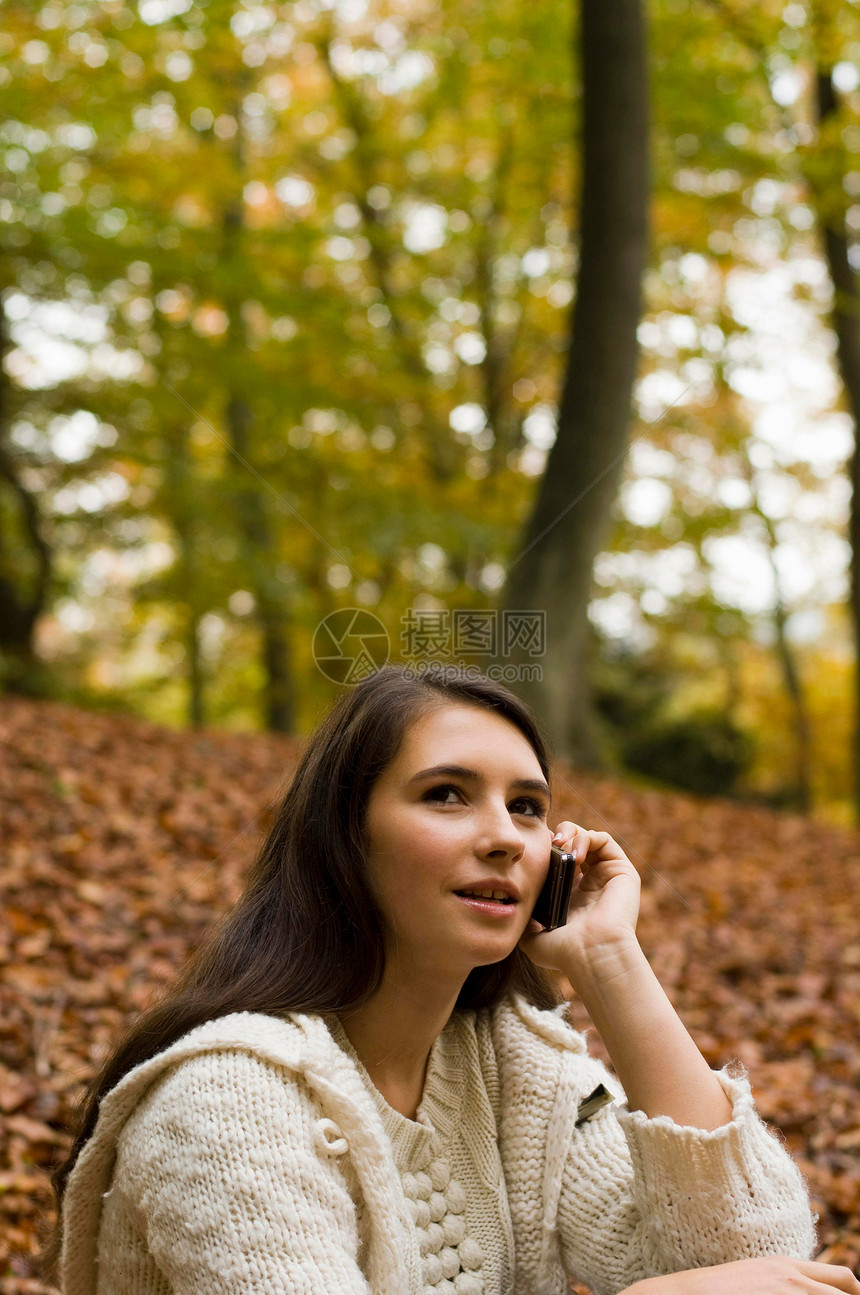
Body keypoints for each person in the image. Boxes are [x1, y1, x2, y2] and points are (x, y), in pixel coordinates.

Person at [48, 664, 858, 1295]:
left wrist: (611, 960)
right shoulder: (228, 1100)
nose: (505, 836)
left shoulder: (511, 1067)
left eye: (530, 807)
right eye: (446, 794)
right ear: (346, 838)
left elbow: (760, 1261)